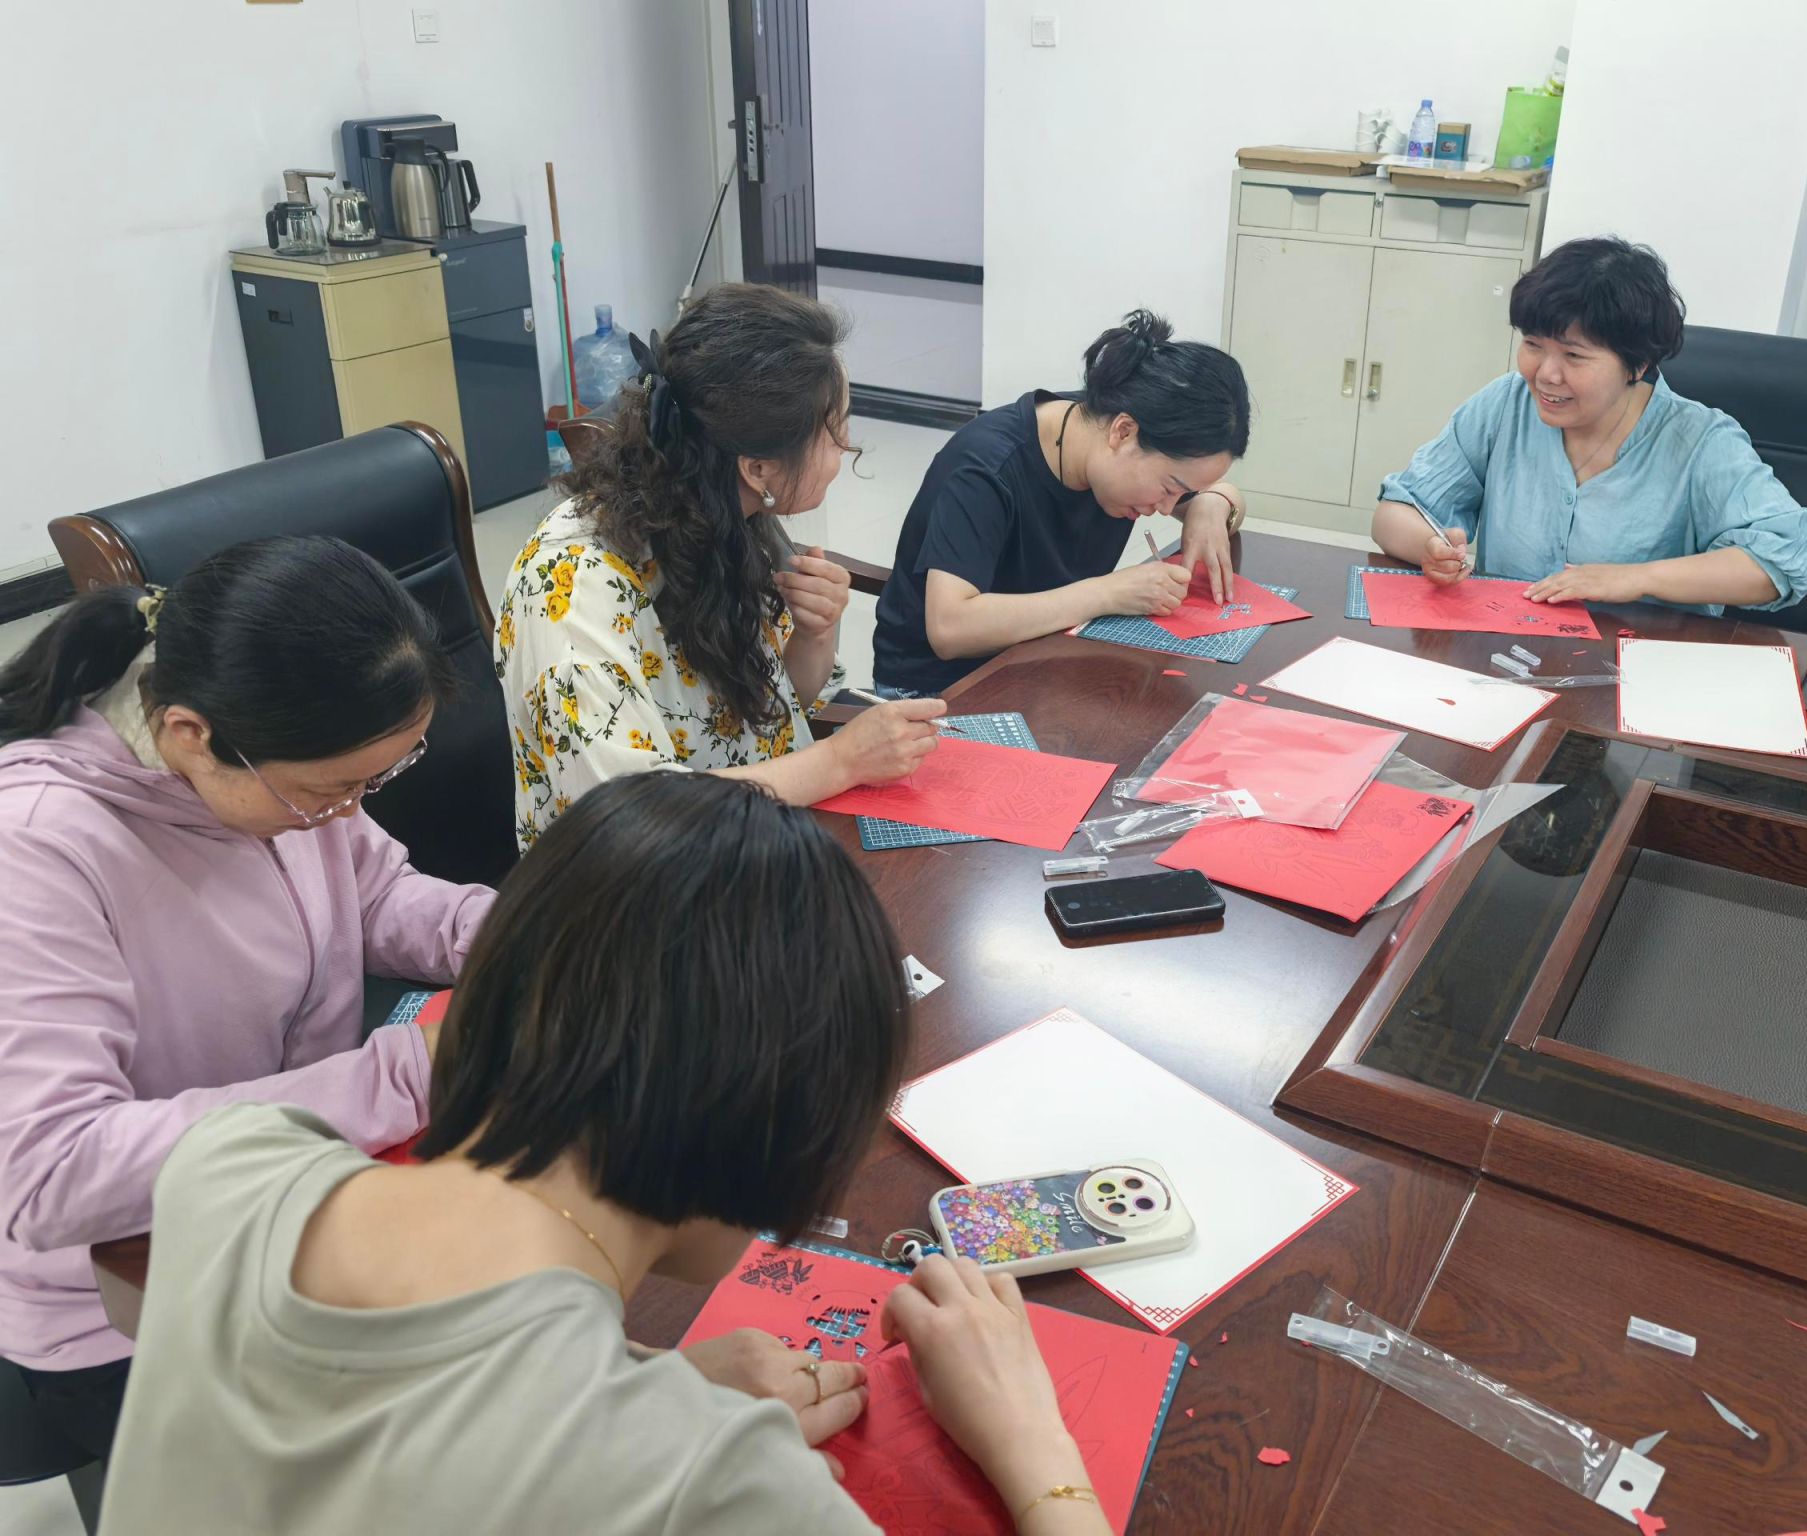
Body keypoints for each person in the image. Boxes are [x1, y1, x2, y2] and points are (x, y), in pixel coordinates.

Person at [99, 774, 1113, 1536]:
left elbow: (390, 1402)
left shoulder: (232, 1166)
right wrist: (1032, 1440)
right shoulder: (711, 1481)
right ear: (778, 1126)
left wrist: (641, 1381)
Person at [0, 536, 494, 1476]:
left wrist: (520, 938)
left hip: (292, 1198)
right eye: (332, 791)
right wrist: (404, 1072)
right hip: (133, 1305)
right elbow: (52, 1173)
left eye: (373, 783)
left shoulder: (271, 764)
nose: (347, 813)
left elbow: (374, 895)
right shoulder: (35, 850)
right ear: (191, 734)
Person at [496, 282, 947, 851]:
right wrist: (839, 761)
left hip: (753, 841)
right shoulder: (573, 590)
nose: (845, 449)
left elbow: (770, 712)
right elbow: (632, 819)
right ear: (757, 467)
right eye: (834, 432)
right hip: (637, 882)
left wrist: (813, 634)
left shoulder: (727, 515)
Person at [1371, 236, 1807, 614]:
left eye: (1574, 355)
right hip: (1505, 654)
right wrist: (1430, 548)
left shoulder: (1700, 441)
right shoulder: (1505, 404)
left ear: (1637, 364)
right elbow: (1395, 513)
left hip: (1636, 669)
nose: (1546, 374)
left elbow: (1785, 560)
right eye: (1533, 345)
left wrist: (1634, 579)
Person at [872, 309, 1251, 696]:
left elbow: (1220, 492)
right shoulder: (986, 468)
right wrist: (1108, 593)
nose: (1169, 508)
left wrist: (1213, 503)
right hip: (939, 692)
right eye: (1170, 487)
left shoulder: (1105, 431)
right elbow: (950, 628)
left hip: (1042, 666)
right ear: (1123, 432)